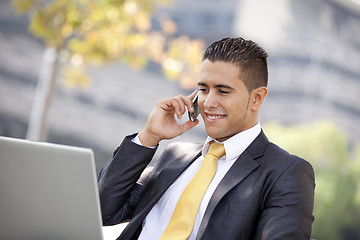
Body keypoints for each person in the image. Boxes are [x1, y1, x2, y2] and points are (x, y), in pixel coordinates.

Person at [98, 37, 315, 240]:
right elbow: (104, 210)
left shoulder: (286, 173)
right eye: (203, 89)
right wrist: (149, 136)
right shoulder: (176, 155)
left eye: (223, 91)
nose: (208, 103)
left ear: (257, 98)